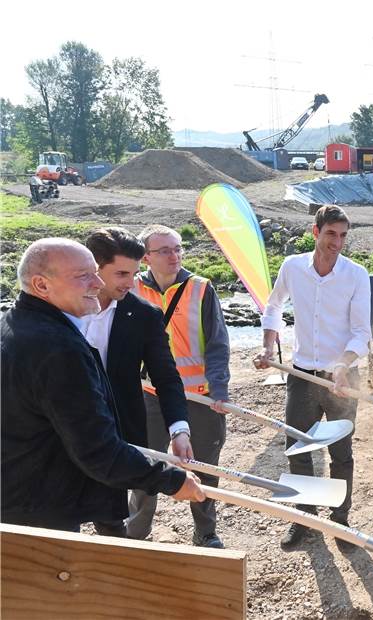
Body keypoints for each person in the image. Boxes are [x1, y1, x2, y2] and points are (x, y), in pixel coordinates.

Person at [1, 238, 203, 532]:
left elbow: (166, 377)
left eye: (95, 273)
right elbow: (97, 451)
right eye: (84, 275)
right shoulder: (57, 346)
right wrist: (171, 480)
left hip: (32, 484)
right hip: (40, 500)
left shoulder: (16, 321)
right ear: (42, 285)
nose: (97, 283)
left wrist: (178, 428)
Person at [255, 205, 371, 550]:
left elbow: (362, 332)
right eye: (331, 233)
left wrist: (342, 363)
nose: (337, 242)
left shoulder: (356, 275)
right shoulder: (292, 268)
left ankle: (340, 520)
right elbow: (274, 306)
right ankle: (306, 517)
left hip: (343, 378)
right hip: (302, 375)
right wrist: (267, 346)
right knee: (298, 448)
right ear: (315, 231)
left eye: (343, 235)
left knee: (341, 452)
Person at [83, 227, 192, 538]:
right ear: (94, 267)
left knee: (111, 522)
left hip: (115, 436)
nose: (130, 283)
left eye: (133, 273)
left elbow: (167, 377)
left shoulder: (144, 315)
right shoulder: (63, 311)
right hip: (62, 437)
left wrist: (179, 429)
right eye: (120, 274)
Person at [128, 225, 230, 549]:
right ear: (146, 257)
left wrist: (219, 389)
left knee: (203, 467)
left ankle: (205, 532)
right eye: (165, 251)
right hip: (149, 395)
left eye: (178, 249)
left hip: (198, 396)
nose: (174, 256)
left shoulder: (200, 289)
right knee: (144, 467)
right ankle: (136, 532)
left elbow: (217, 344)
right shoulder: (131, 289)